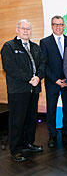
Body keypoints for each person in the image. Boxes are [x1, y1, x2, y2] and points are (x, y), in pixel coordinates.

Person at [1, 19, 45, 161]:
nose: (26, 31)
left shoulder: (35, 47)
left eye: (28, 29)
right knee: (17, 120)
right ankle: (16, 149)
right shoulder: (8, 46)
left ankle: (28, 143)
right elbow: (10, 68)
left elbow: (43, 63)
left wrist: (38, 77)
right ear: (17, 30)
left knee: (31, 119)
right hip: (18, 91)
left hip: (34, 90)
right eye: (23, 28)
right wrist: (29, 78)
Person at [40, 15, 67, 148]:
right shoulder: (45, 42)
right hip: (52, 82)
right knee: (51, 109)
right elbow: (44, 64)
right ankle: (52, 135)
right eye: (55, 24)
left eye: (60, 24)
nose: (58, 27)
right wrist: (56, 80)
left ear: (64, 25)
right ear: (51, 25)